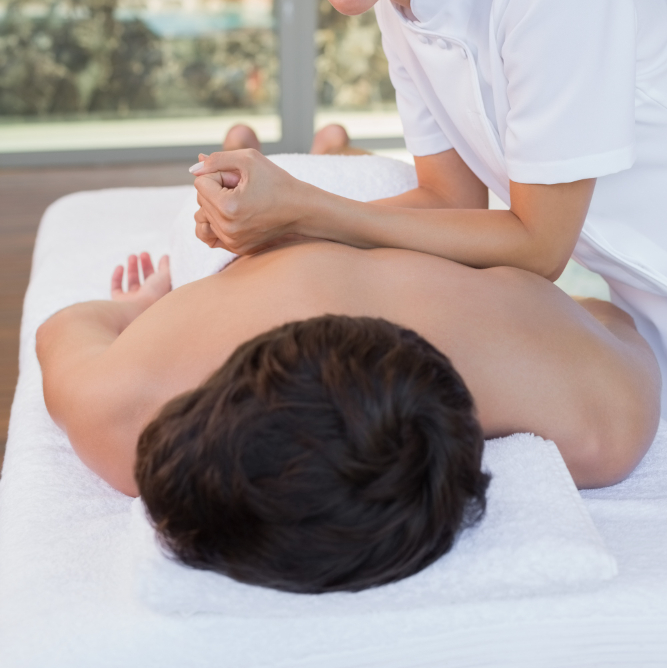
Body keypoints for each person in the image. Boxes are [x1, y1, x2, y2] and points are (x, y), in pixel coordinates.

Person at [189, 0, 667, 413]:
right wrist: (277, 232)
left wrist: (303, 210)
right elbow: (449, 197)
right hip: (644, 303)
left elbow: (539, 247)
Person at [37, 237, 659, 592]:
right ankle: (326, 149)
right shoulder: (599, 423)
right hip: (412, 227)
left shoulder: (122, 410)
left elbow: (64, 328)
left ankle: (309, 148)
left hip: (267, 238)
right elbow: (609, 317)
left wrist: (141, 307)